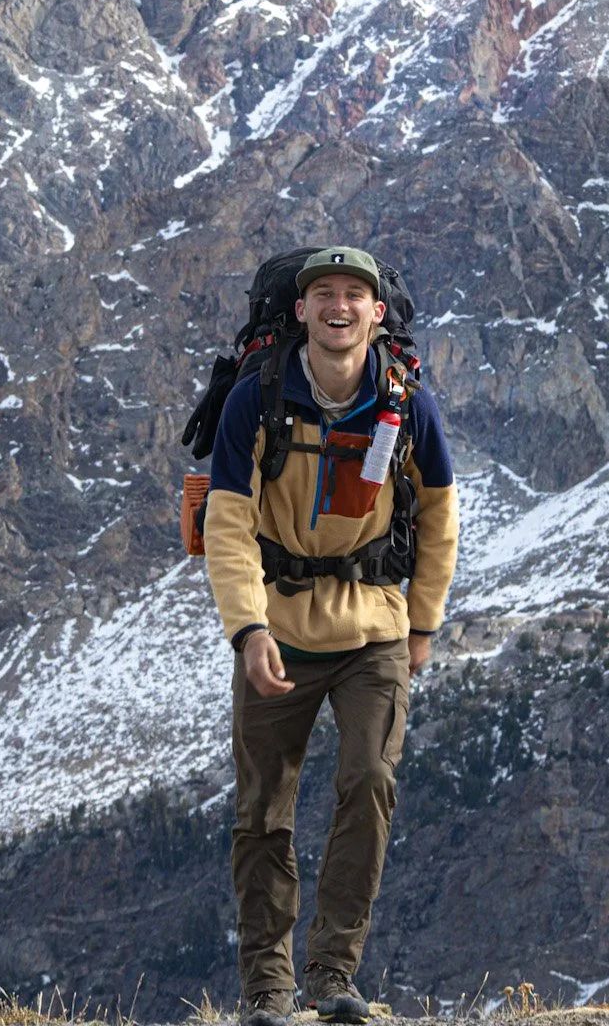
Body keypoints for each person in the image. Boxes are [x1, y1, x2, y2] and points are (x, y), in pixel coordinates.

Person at [204, 246, 459, 1026]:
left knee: (368, 785)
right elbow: (227, 523)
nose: (340, 306)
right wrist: (247, 630)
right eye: (325, 294)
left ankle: (333, 978)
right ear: (303, 311)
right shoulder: (256, 399)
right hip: (276, 629)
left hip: (373, 628)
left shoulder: (407, 405)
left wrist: (421, 624)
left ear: (377, 314)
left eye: (355, 294)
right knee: (261, 811)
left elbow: (441, 515)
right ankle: (268, 992)